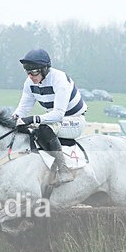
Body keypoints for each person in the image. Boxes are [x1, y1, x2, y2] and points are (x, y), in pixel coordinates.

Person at [12, 48, 87, 184]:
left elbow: (58, 114)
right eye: (28, 72)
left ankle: (64, 170)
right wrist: (14, 119)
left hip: (74, 120)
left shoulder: (59, 80)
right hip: (55, 120)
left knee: (44, 129)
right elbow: (23, 107)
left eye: (34, 72)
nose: (30, 76)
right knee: (26, 130)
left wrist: (33, 119)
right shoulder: (29, 83)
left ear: (45, 69)